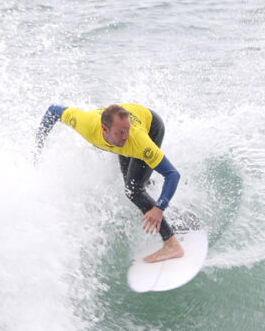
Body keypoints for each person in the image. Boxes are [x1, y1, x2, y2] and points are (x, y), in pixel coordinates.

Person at [35, 103, 184, 263]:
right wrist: (38, 147)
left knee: (134, 190)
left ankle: (171, 243)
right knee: (133, 180)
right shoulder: (86, 123)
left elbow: (173, 174)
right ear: (105, 130)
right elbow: (53, 111)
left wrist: (159, 208)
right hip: (121, 132)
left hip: (151, 127)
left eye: (127, 131)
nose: (125, 136)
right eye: (121, 132)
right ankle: (170, 211)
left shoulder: (136, 140)